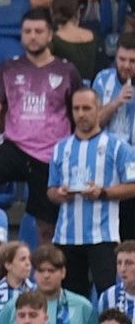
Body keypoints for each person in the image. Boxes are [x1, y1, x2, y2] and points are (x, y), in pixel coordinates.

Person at [0, 8, 78, 229]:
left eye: (39, 31)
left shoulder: (67, 70)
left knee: (45, 229)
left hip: (51, 154)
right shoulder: (8, 68)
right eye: (27, 31)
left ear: (50, 34)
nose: (33, 36)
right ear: (21, 35)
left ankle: (46, 263)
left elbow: (79, 111)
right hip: (15, 147)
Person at [49, 87, 135, 297]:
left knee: (109, 294)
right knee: (71, 300)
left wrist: (103, 192)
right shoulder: (60, 148)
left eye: (86, 108)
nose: (81, 113)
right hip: (67, 237)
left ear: (98, 109)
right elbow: (50, 190)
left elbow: (133, 186)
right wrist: (60, 194)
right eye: (76, 108)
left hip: (103, 236)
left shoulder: (118, 147)